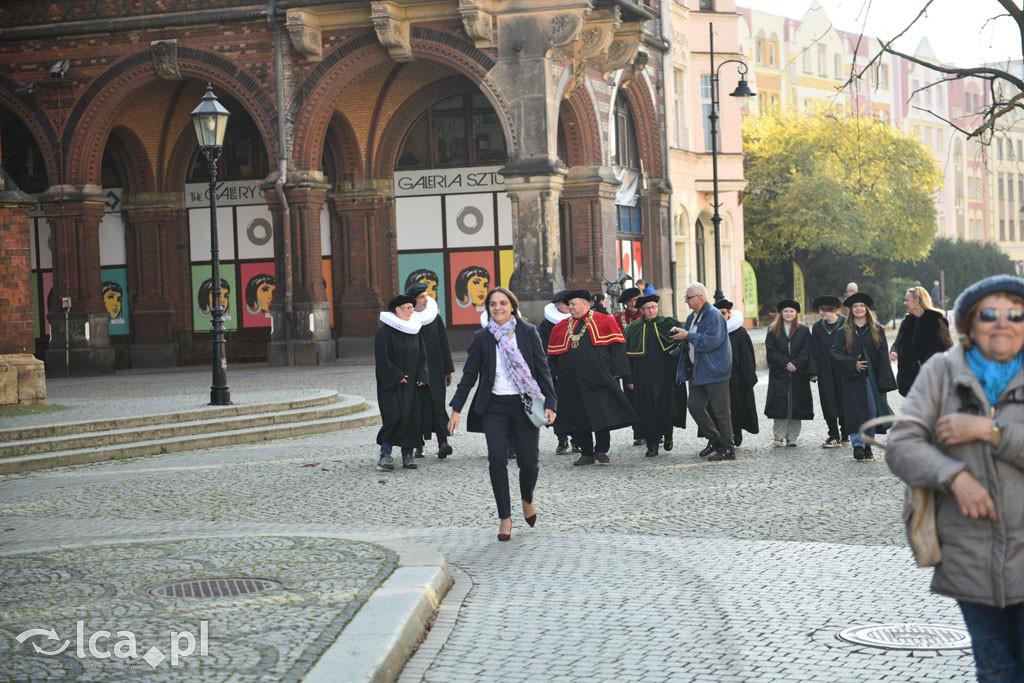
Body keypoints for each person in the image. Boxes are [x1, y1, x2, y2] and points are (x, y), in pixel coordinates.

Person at [886, 274, 1024, 682]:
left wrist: (990, 432)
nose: (1002, 322)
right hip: (970, 553)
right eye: (989, 314)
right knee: (996, 669)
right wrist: (952, 476)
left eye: (1015, 314)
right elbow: (902, 445)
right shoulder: (942, 372)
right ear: (968, 322)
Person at [448, 287, 557, 542]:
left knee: (529, 463)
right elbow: (469, 376)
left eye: (503, 303)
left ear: (512, 307)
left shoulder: (528, 333)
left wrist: (551, 401)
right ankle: (505, 517)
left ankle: (527, 498)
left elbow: (542, 369)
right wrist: (455, 409)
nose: (498, 308)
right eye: (493, 304)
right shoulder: (482, 337)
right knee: (497, 459)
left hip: (525, 404)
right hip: (494, 406)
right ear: (488, 308)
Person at [547, 290, 637, 466]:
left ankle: (601, 449)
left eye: (573, 304)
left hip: (599, 379)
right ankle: (586, 452)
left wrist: (618, 372)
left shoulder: (605, 321)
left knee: (601, 414)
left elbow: (618, 348)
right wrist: (555, 373)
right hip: (570, 382)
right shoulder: (561, 326)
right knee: (577, 417)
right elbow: (553, 355)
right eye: (569, 305)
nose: (570, 307)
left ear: (585, 305)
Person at [670, 283, 735, 461]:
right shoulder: (694, 315)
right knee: (694, 406)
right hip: (698, 370)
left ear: (700, 297)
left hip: (715, 371)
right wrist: (680, 335)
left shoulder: (713, 315)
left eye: (688, 297)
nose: (686, 301)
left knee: (721, 411)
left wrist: (687, 336)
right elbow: (690, 336)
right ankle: (715, 439)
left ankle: (728, 447)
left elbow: (711, 341)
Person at [830, 292, 896, 461]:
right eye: (855, 307)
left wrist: (884, 380)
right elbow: (835, 352)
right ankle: (857, 445)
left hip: (871, 379)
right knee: (855, 412)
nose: (858, 309)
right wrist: (853, 364)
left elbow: (882, 356)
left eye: (861, 306)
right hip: (852, 379)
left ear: (866, 309)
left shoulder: (877, 329)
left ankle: (868, 444)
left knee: (872, 412)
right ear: (851, 310)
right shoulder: (844, 331)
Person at [374, 294, 429, 471]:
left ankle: (408, 455)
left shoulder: (415, 331)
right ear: (397, 310)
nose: (411, 311)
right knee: (394, 417)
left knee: (412, 419)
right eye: (407, 308)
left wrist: (422, 375)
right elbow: (382, 359)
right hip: (392, 385)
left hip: (412, 384)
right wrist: (396, 375)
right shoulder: (385, 333)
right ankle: (385, 454)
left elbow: (423, 357)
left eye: (412, 308)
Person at [624, 294, 683, 457]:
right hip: (643, 376)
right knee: (647, 410)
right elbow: (626, 357)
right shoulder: (632, 328)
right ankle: (652, 444)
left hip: (666, 374)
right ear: (642, 310)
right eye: (648, 308)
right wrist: (628, 379)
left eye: (654, 307)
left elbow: (683, 345)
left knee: (667, 407)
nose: (651, 311)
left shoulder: (670, 324)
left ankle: (668, 435)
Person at [408, 281, 455, 459]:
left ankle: (443, 442)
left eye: (426, 296)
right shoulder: (407, 319)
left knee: (437, 404)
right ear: (414, 301)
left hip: (435, 369)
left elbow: (444, 343)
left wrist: (447, 370)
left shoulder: (434, 317)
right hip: (415, 373)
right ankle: (418, 444)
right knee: (418, 408)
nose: (426, 300)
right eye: (422, 297)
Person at [764, 300, 814, 447]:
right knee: (780, 404)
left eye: (791, 311)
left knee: (796, 405)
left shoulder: (803, 330)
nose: (789, 314)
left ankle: (792, 437)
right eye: (786, 311)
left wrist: (796, 364)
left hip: (798, 373)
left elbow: (807, 350)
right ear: (781, 313)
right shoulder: (773, 330)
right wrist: (786, 364)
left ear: (796, 313)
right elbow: (771, 350)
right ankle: (778, 437)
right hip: (780, 373)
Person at [890, 286, 953, 397]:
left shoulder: (937, 321)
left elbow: (950, 348)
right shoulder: (906, 323)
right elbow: (897, 344)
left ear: (917, 301)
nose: (904, 303)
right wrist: (893, 351)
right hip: (910, 382)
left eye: (907, 300)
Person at [714, 299, 758, 447]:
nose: (721, 316)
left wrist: (749, 377)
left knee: (737, 406)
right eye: (718, 314)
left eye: (723, 313)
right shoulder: (712, 331)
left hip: (736, 377)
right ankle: (719, 436)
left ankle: (736, 431)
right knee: (719, 408)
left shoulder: (739, 332)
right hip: (717, 376)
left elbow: (747, 356)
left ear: (729, 313)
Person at [809, 295, 848, 447]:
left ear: (833, 310)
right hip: (825, 370)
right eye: (820, 311)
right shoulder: (818, 327)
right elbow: (813, 350)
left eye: (824, 310)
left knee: (844, 400)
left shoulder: (846, 324)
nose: (821, 313)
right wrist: (813, 371)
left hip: (843, 369)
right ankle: (833, 434)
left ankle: (846, 432)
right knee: (828, 401)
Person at [539, 290, 573, 454]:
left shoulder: (576, 321)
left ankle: (578, 439)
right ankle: (562, 439)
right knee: (557, 405)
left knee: (575, 405)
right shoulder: (546, 324)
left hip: (574, 370)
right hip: (555, 372)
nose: (566, 306)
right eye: (562, 303)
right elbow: (544, 350)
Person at [613, 286, 644, 445]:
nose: (633, 304)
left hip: (645, 363)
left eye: (636, 300)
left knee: (649, 398)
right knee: (632, 399)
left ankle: (654, 431)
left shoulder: (646, 313)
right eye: (630, 301)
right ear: (625, 303)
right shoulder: (618, 319)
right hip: (627, 364)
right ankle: (638, 433)